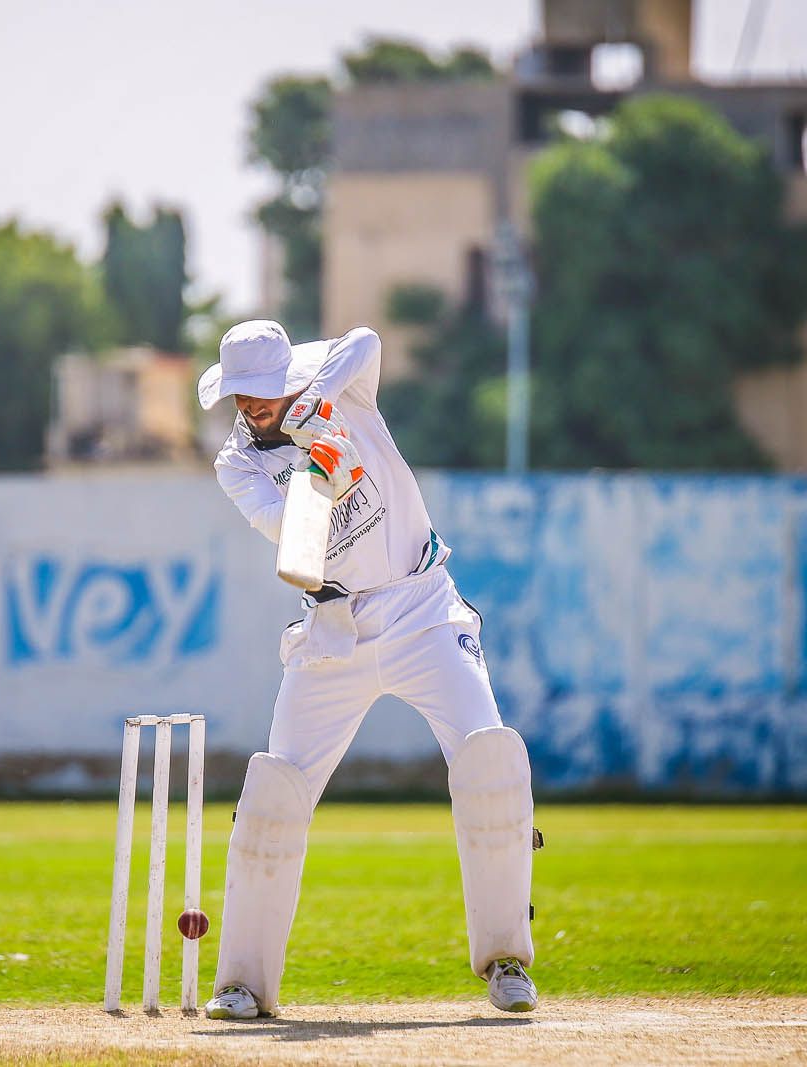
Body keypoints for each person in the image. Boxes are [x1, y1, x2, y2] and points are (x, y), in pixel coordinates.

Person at [196, 320, 539, 1018]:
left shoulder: (341, 387)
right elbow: (295, 547)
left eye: (261, 392)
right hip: (333, 629)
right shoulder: (238, 463)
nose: (250, 407)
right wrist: (319, 470)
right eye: (241, 395)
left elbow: (366, 339)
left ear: (287, 377)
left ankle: (507, 961)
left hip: (424, 608)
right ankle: (243, 984)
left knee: (490, 758)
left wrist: (316, 408)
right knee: (275, 790)